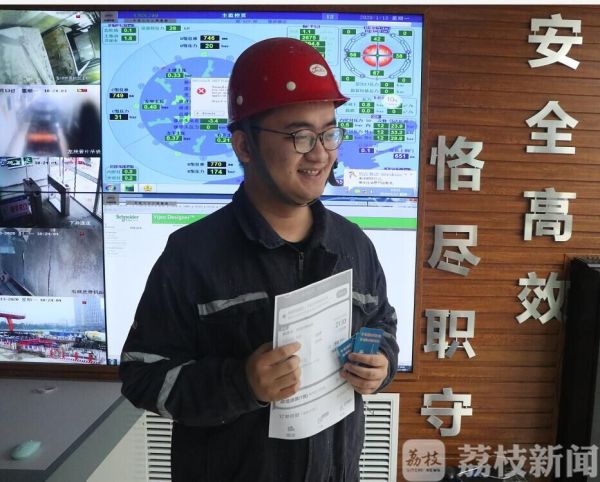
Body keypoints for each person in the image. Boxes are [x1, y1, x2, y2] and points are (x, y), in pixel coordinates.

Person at [119, 37, 399, 482]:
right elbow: (143, 376)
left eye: (329, 133)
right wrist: (241, 383)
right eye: (299, 135)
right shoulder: (192, 255)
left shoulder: (354, 245)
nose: (320, 153)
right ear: (244, 146)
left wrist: (379, 363)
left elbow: (381, 323)